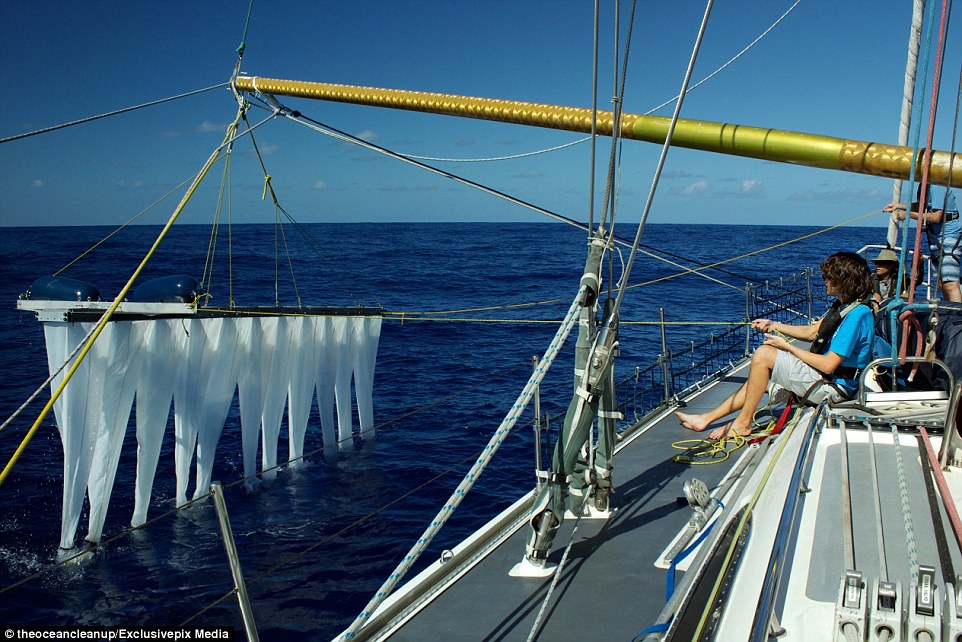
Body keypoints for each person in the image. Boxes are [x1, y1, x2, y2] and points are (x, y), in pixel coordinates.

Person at [675, 252, 874, 440]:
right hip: (827, 379)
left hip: (834, 387)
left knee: (763, 355)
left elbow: (829, 365)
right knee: (758, 375)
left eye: (829, 277)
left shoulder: (857, 315)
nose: (825, 281)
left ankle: (743, 424)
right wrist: (773, 325)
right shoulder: (845, 307)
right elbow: (813, 332)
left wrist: (787, 347)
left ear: (845, 280)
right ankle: (705, 419)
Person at [884, 183, 961, 302]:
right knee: (942, 284)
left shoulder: (937, 185)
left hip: (949, 236)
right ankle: (951, 313)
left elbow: (936, 217)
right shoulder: (926, 185)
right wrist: (898, 205)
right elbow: (921, 206)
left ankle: (957, 317)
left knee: (950, 284)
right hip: (936, 238)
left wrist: (908, 214)